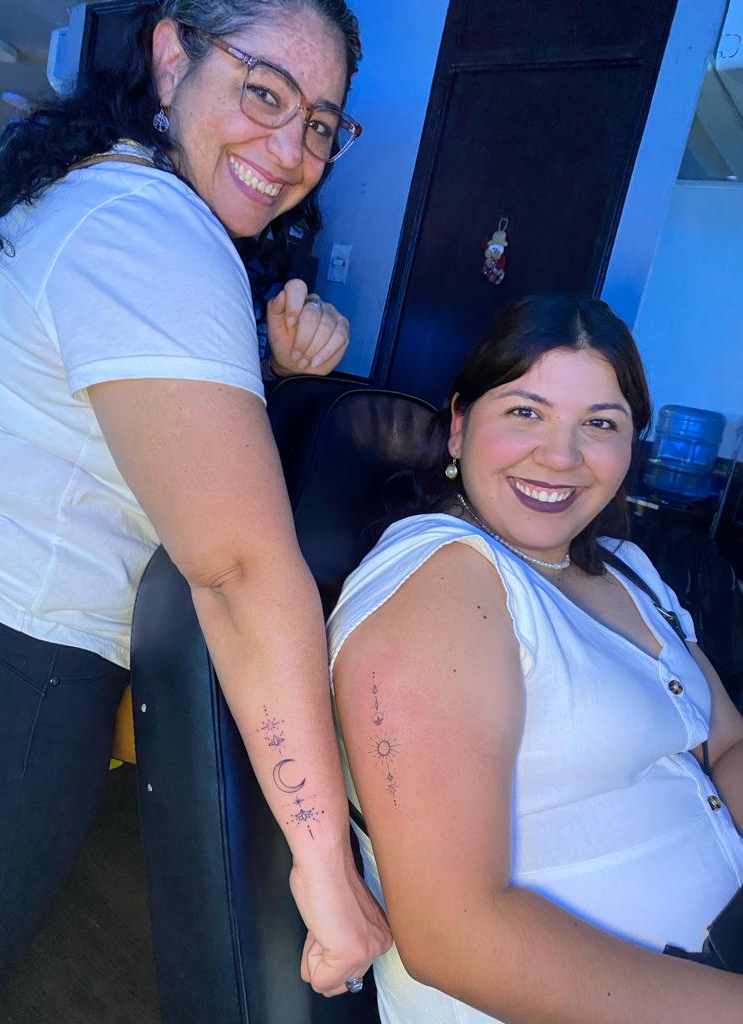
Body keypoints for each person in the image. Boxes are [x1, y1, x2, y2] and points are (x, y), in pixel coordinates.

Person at [0, 0, 391, 1013]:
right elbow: (237, 569)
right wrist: (325, 866)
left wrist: (273, 375)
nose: (292, 151)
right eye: (265, 92)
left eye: (320, 123)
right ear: (172, 59)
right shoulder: (155, 234)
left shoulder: (87, 189)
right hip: (14, 677)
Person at [328, 294, 743, 1024]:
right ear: (460, 425)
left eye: (601, 424)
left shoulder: (625, 565)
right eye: (525, 412)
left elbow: (726, 741)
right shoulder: (446, 584)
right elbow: (455, 937)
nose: (560, 456)